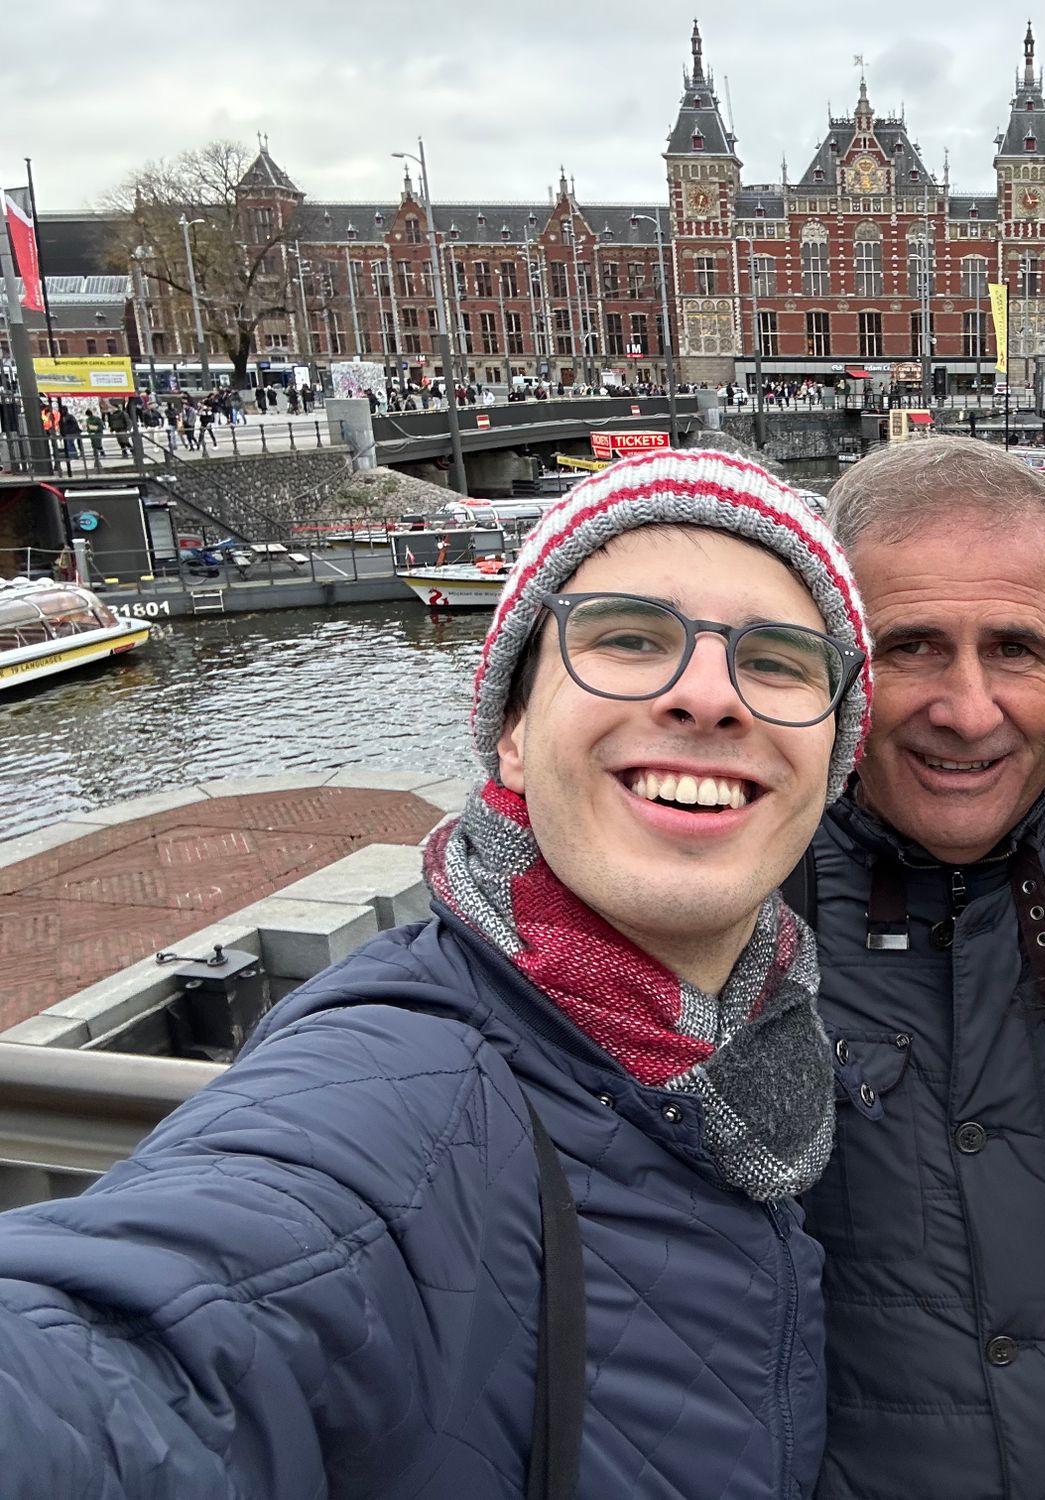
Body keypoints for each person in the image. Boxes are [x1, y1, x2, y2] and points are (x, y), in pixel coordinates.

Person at [0, 450, 872, 1499]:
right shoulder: (399, 1090)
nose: (703, 695)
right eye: (628, 640)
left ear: (831, 760)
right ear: (509, 731)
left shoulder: (758, 1060)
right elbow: (131, 1363)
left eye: (777, 661)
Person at [800, 436, 1045, 1500]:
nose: (967, 710)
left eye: (1014, 649)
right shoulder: (735, 902)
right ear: (831, 656)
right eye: (913, 647)